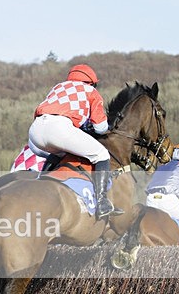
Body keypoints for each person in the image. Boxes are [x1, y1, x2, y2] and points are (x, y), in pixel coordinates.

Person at [28, 64, 120, 218]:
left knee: (58, 154)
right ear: (91, 82)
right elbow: (100, 128)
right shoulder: (91, 91)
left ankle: (40, 183)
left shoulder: (58, 87)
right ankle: (102, 201)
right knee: (101, 154)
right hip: (58, 129)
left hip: (35, 133)